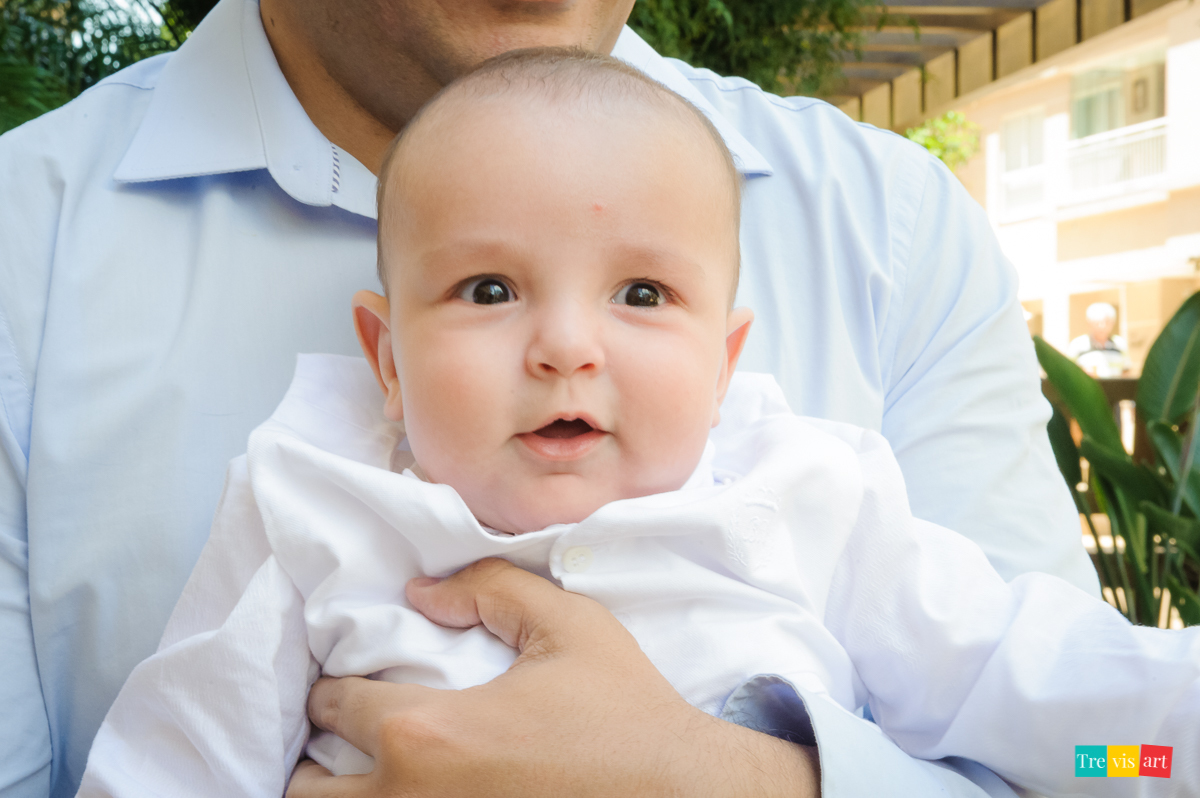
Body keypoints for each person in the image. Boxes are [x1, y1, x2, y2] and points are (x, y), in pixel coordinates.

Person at [0, 0, 1100, 795]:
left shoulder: (820, 486)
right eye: (487, 291)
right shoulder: (309, 502)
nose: (568, 348)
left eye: (641, 293)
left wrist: (736, 784)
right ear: (384, 360)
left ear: (730, 363)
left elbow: (1088, 746)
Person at [1065, 302, 1131, 378]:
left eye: (1106, 322)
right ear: (1089, 323)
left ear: (1113, 323)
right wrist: (1081, 373)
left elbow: (1126, 370)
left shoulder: (1120, 343)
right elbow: (1067, 370)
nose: (1102, 326)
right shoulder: (1077, 344)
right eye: (1097, 323)